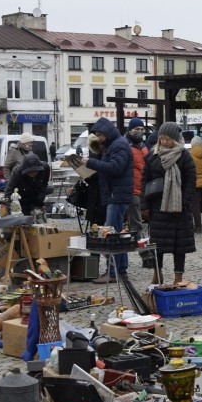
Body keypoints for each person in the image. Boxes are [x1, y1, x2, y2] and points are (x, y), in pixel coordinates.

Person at [140, 122, 196, 285]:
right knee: (157, 245)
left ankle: (178, 277)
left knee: (180, 247)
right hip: (158, 206)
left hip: (179, 208)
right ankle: (157, 274)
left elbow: (190, 181)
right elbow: (145, 180)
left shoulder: (185, 156)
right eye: (162, 139)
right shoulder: (152, 156)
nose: (164, 142)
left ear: (175, 139)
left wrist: (183, 202)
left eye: (168, 139)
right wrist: (144, 205)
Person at [83, 117, 133, 283]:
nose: (99, 137)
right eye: (96, 135)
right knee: (117, 234)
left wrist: (90, 162)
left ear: (107, 132)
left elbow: (115, 168)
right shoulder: (113, 145)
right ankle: (120, 271)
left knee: (111, 235)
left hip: (117, 195)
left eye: (100, 134)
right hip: (115, 194)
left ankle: (114, 272)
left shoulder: (118, 145)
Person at [125, 117, 149, 236]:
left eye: (142, 129)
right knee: (136, 223)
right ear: (130, 130)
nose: (140, 131)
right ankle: (144, 251)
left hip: (143, 188)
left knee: (140, 221)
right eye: (137, 129)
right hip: (132, 188)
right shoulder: (125, 145)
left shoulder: (143, 146)